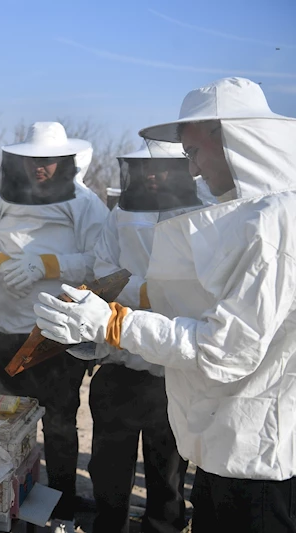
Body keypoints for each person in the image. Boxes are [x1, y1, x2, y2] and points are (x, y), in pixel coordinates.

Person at [34, 77, 296, 532]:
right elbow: (192, 301)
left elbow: (224, 349)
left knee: (169, 487)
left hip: (257, 455)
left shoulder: (274, 223)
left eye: (193, 153)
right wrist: (103, 319)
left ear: (229, 137)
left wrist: (114, 323)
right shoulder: (253, 217)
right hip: (228, 439)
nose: (192, 170)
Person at [0, 122, 108, 533]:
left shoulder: (84, 203)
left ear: (65, 162)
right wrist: (0, 262)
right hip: (4, 329)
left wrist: (47, 264)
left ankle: (63, 501)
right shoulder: (3, 201)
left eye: (48, 160)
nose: (40, 168)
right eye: (33, 161)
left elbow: (101, 259)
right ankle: (16, 497)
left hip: (56, 330)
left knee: (61, 420)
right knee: (12, 420)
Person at [81, 142, 208, 533]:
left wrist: (163, 294)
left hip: (173, 368)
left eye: (161, 168)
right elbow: (104, 267)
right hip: (121, 359)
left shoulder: (205, 211)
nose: (151, 175)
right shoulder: (121, 211)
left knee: (167, 471)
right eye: (144, 167)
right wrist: (145, 293)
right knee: (107, 466)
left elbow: (206, 281)